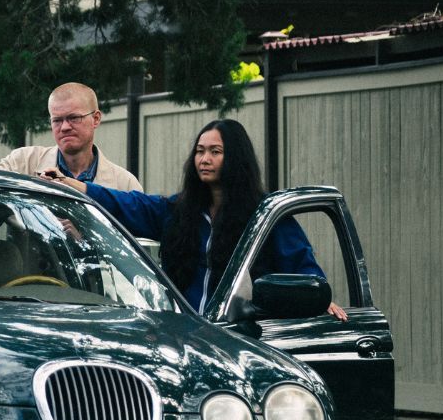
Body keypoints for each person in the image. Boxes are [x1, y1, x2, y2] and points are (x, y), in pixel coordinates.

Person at [43, 118, 347, 321]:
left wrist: (318, 300)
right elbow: (130, 205)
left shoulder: (266, 217)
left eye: (216, 152)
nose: (204, 159)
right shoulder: (179, 211)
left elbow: (304, 275)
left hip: (243, 338)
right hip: (181, 334)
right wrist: (77, 186)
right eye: (200, 151)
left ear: (236, 159)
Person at [0, 82, 142, 192]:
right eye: (57, 120)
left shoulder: (125, 185)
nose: (65, 127)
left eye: (74, 118)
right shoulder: (22, 163)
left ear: (96, 119)